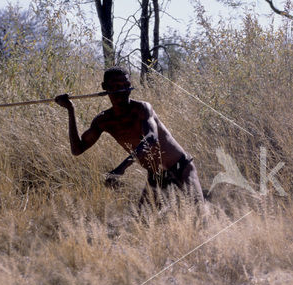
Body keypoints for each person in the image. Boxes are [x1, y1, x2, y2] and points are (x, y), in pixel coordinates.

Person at [55, 66, 205, 209]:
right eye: (115, 86)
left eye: (125, 84)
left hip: (181, 167)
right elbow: (77, 149)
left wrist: (121, 168)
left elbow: (151, 138)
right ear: (105, 87)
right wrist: (70, 109)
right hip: (156, 176)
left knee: (200, 216)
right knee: (142, 223)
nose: (122, 90)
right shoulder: (104, 120)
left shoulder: (142, 109)